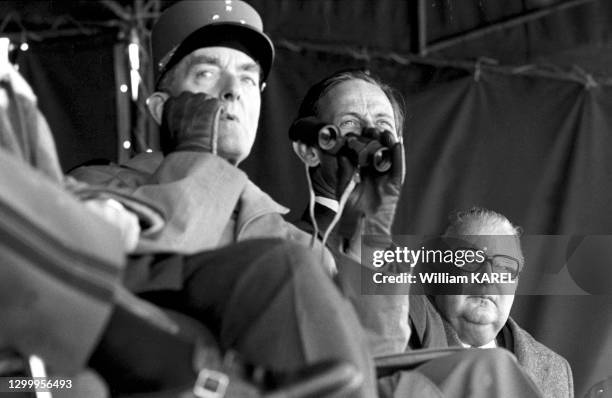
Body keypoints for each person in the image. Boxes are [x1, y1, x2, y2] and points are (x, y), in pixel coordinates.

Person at [71, 1, 376, 397]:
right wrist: (196, 155)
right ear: (162, 108)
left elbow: (374, 359)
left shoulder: (298, 241)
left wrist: (376, 223)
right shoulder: (96, 186)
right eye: (207, 73)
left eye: (248, 80)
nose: (232, 91)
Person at [289, 71, 546, 398]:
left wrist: (374, 232)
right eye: (351, 125)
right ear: (311, 149)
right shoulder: (276, 242)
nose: (370, 138)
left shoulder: (412, 288)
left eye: (383, 128)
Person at [426, 207, 574, 398]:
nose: (488, 279)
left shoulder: (555, 370)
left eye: (505, 267)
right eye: (470, 259)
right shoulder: (397, 338)